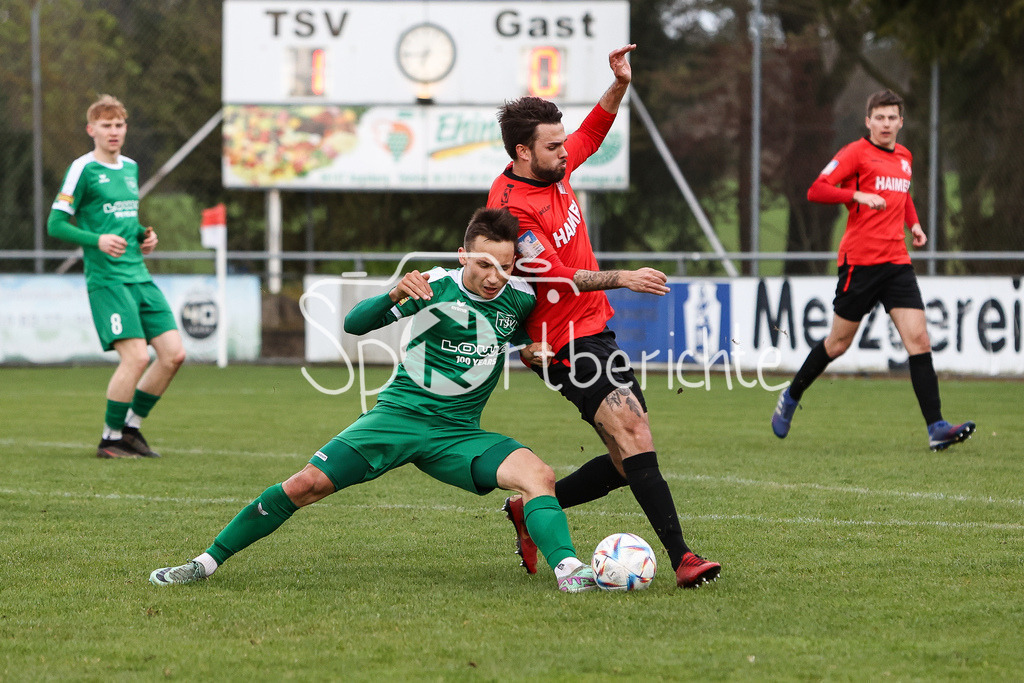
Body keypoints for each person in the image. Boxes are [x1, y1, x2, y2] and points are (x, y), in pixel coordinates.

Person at [150, 207, 599, 593]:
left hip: (458, 435)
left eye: (504, 266)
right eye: (484, 264)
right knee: (305, 485)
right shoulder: (433, 287)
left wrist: (532, 351)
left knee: (538, 474)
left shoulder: (518, 297)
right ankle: (203, 564)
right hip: (396, 418)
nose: (494, 277)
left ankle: (570, 571)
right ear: (464, 255)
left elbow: (527, 338)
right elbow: (354, 324)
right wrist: (393, 293)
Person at [486, 45, 721, 589]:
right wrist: (624, 277)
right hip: (559, 341)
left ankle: (530, 510)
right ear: (523, 152)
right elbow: (556, 275)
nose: (567, 152)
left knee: (625, 459)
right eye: (553, 146)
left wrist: (620, 84)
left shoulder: (553, 168)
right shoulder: (511, 207)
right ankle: (684, 558)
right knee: (635, 432)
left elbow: (593, 130)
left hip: (595, 328)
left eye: (563, 142)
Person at [771, 89, 975, 451]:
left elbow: (904, 194)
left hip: (896, 262)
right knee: (837, 344)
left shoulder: (905, 157)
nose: (885, 123)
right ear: (868, 121)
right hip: (860, 264)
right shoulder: (855, 153)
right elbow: (816, 190)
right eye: (878, 117)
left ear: (901, 121)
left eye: (891, 117)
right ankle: (791, 394)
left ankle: (936, 427)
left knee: (919, 340)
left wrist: (913, 225)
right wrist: (856, 195)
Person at [48, 94, 185, 459]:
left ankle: (131, 430)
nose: (113, 131)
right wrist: (96, 239)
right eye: (106, 125)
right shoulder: (83, 169)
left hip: (138, 275)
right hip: (107, 279)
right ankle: (109, 440)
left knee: (173, 355)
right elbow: (56, 223)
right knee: (136, 357)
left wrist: (143, 234)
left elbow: (124, 219)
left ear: (125, 129)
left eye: (119, 125)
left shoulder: (130, 167)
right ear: (91, 129)